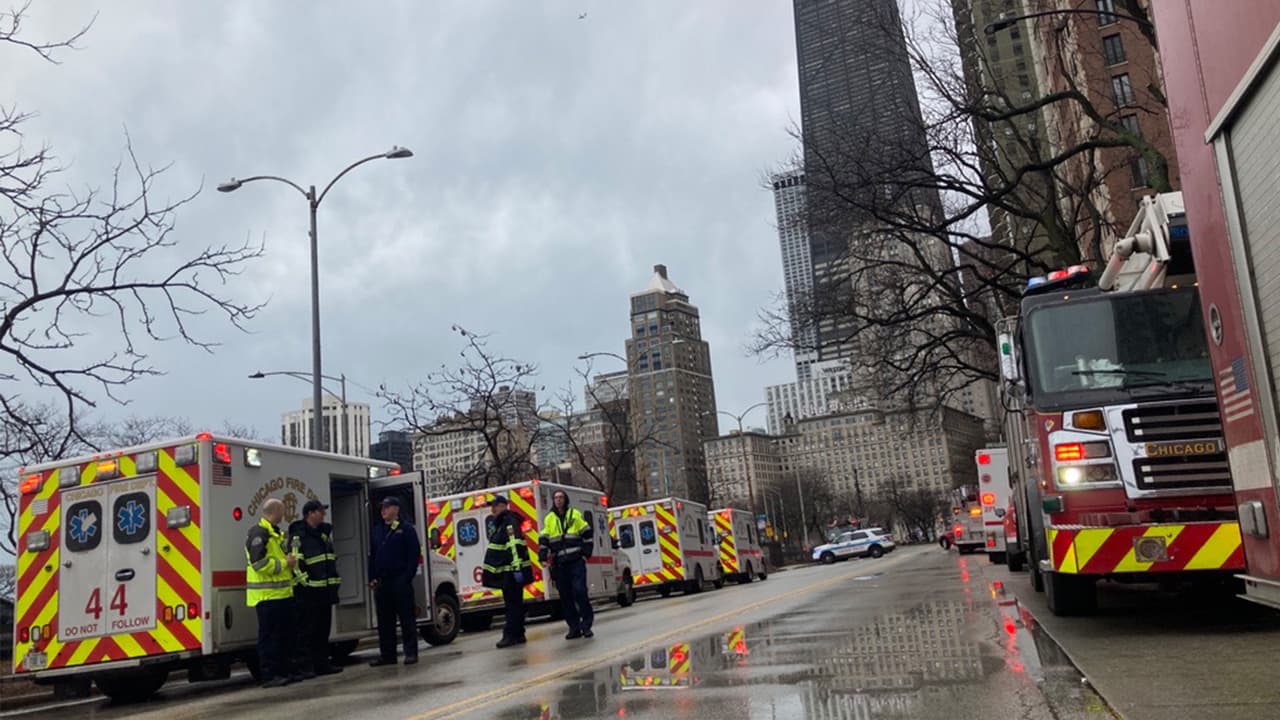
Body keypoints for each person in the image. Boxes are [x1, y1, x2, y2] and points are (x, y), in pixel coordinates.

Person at [246, 498, 302, 688]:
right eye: (282, 511)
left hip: (282, 596)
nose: (284, 515)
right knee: (269, 639)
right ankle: (270, 675)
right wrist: (286, 563)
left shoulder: (275, 533)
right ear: (275, 511)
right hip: (267, 597)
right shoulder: (259, 533)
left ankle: (285, 671)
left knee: (285, 637)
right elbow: (259, 564)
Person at [288, 499, 343, 676]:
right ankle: (305, 668)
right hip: (308, 595)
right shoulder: (298, 536)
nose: (323, 514)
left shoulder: (323, 535)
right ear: (310, 513)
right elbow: (295, 565)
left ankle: (322, 665)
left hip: (325, 593)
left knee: (322, 632)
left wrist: (334, 583)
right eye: (320, 511)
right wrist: (307, 585)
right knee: (306, 632)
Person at [368, 496, 421, 666]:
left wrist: (406, 578)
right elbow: (372, 555)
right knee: (385, 622)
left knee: (406, 619)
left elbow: (414, 555)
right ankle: (388, 655)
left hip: (400, 580)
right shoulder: (377, 530)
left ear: (396, 509)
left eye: (387, 507)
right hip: (383, 582)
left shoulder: (406, 529)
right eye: (382, 508)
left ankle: (410, 653)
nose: (383, 510)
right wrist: (372, 577)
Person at [538, 489, 595, 639]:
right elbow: (544, 540)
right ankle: (574, 628)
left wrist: (585, 554)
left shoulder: (574, 515)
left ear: (565, 499)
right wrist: (543, 557)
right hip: (560, 564)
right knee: (566, 597)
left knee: (580, 592)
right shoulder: (549, 518)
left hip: (576, 561)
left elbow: (588, 534)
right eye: (556, 498)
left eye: (561, 497)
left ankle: (586, 626)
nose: (558, 500)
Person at [483, 494, 531, 649]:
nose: (492, 509)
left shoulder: (509, 522)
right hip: (508, 572)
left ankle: (510, 635)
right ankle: (518, 633)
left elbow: (514, 546)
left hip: (510, 572)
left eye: (495, 506)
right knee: (515, 604)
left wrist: (517, 569)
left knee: (512, 605)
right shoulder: (502, 522)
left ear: (503, 506)